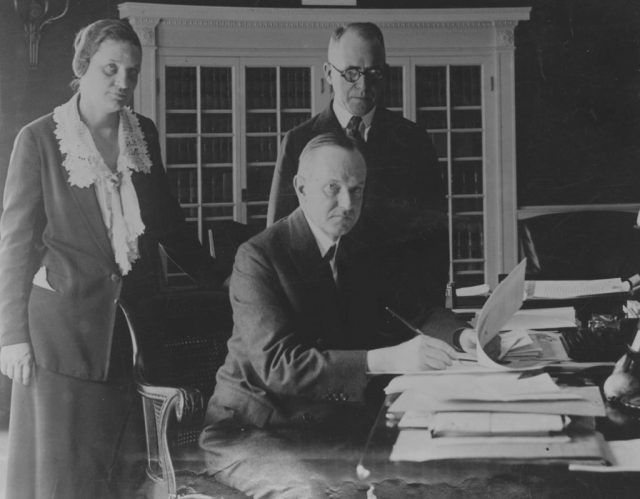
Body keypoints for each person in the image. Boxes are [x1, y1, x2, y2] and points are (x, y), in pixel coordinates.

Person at [0, 19, 220, 499]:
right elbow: (14, 244)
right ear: (82, 68)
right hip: (60, 335)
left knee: (122, 474)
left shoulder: (144, 136)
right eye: (110, 69)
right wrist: (11, 337)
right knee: (61, 476)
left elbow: (170, 227)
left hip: (130, 333)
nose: (123, 82)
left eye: (132, 72)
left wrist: (228, 278)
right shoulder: (38, 140)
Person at [200, 133, 480, 499]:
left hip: (328, 425)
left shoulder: (359, 248)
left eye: (357, 190)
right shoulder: (259, 257)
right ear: (301, 188)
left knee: (445, 474)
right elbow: (280, 367)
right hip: (255, 429)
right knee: (313, 495)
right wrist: (387, 358)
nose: (348, 204)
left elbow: (417, 312)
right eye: (333, 188)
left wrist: (463, 337)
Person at [267, 21, 453, 343]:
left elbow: (435, 238)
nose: (363, 86)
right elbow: (280, 240)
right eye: (351, 73)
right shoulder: (299, 142)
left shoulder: (413, 141)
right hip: (323, 322)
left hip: (401, 319)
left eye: (374, 73)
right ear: (328, 73)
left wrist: (430, 318)